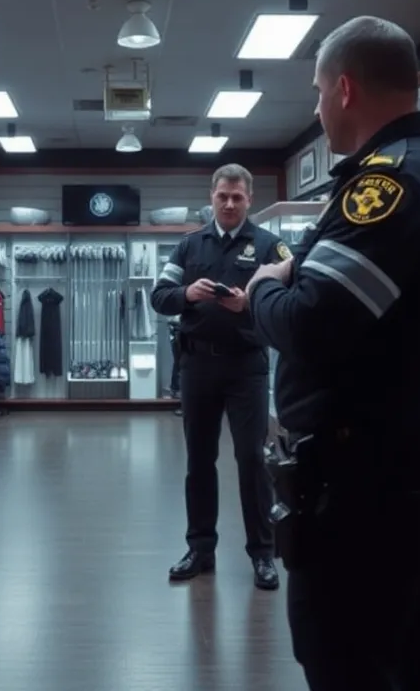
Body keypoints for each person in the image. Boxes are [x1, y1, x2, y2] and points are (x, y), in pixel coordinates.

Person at [245, 16, 420, 690]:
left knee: (349, 665)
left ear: (345, 89)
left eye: (318, 92)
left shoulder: (389, 186)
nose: (316, 108)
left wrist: (265, 287)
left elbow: (312, 323)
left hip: (368, 491)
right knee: (414, 658)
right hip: (411, 476)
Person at [150, 164, 290, 590]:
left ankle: (263, 554)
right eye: (222, 196)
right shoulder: (189, 246)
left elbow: (293, 297)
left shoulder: (270, 247)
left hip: (246, 367)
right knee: (199, 460)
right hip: (198, 367)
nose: (229, 204)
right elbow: (160, 296)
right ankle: (201, 548)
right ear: (211, 197)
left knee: (251, 461)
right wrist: (186, 295)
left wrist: (250, 303)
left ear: (250, 199)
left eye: (238, 197)